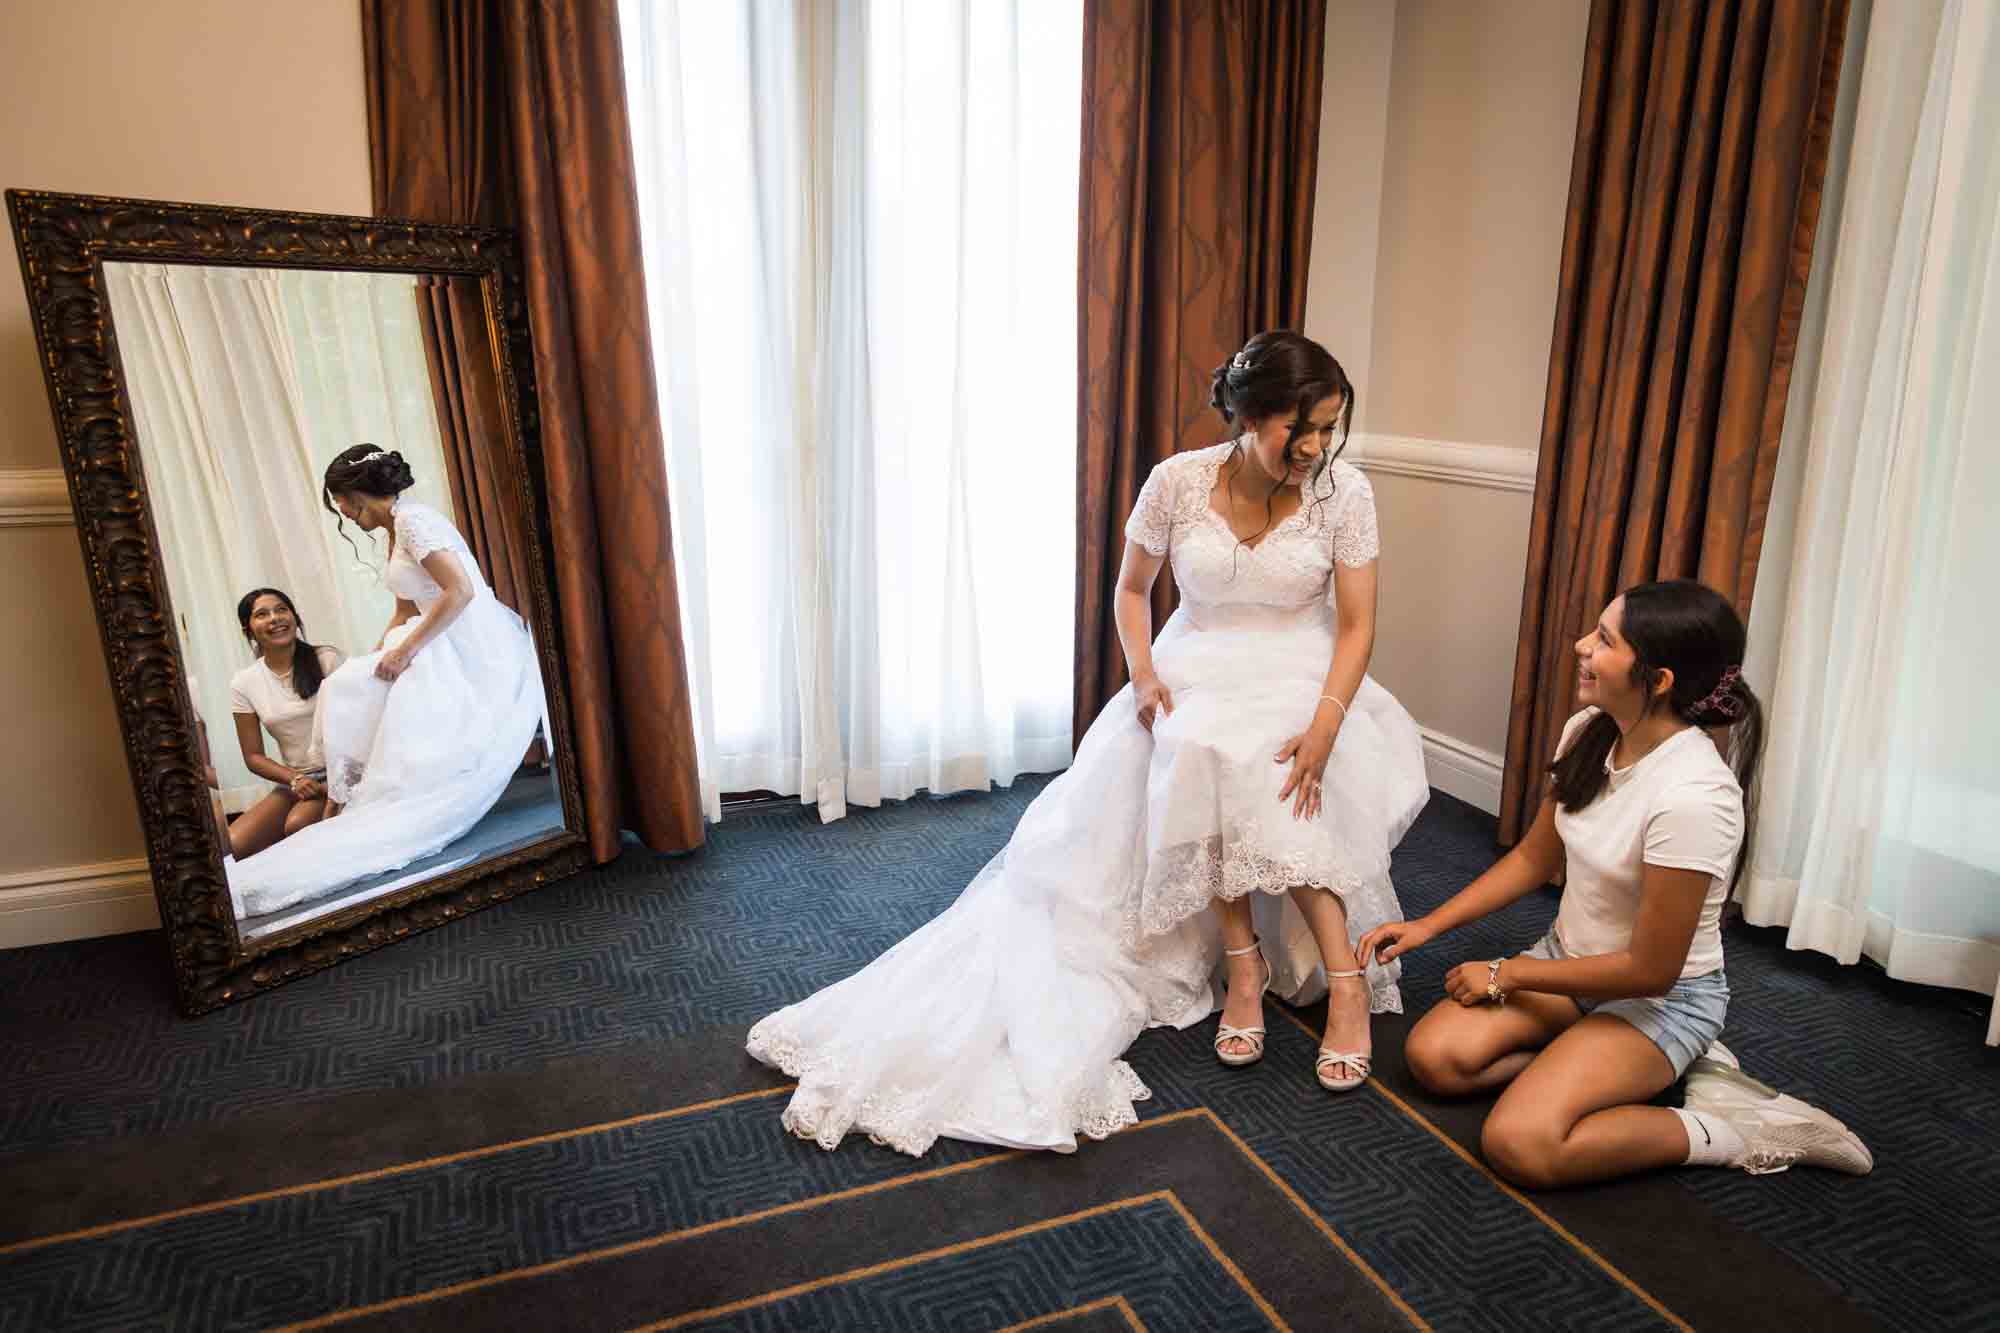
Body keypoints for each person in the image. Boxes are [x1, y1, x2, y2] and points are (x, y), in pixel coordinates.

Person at [747, 331, 1429, 1155]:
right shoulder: (1177, 482)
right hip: (1196, 661)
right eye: (1302, 429)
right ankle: (1242, 960)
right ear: (1249, 416)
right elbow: (1133, 589)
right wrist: (1144, 677)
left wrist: (1327, 720)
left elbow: (1358, 623)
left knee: (1276, 759)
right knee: (1199, 742)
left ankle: (1345, 979)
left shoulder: (1344, 493)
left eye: (1330, 428)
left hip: (1304, 667)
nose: (1317, 447)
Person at [1358, 580, 1873, 1187]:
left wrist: (1507, 973)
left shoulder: (1694, 797)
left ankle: (1738, 1130)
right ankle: (1623, 1068)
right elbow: (1531, 858)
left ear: (1658, 680)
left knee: (1521, 1143)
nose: (1580, 646)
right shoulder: (1590, 730)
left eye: (1604, 640)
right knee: (1436, 1062)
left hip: (1659, 999)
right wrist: (1426, 925)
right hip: (1570, 966)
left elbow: (1650, 971)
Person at [226, 446, 548, 917]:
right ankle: (341, 796)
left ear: (356, 496)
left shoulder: (417, 522)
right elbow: (403, 604)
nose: (346, 516)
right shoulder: (395, 531)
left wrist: (405, 650)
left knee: (357, 687)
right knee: (346, 683)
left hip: (466, 642)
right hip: (427, 633)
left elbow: (460, 591)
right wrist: (379, 653)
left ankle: (352, 800)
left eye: (343, 505)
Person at [224, 589, 345, 858]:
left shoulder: (327, 659)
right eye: (262, 614)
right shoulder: (243, 683)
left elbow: (357, 727)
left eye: (281, 609)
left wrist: (335, 784)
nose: (275, 618)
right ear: (249, 629)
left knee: (297, 824)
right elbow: (253, 756)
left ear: (294, 616)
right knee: (235, 844)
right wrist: (294, 779)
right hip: (296, 779)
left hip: (340, 771)